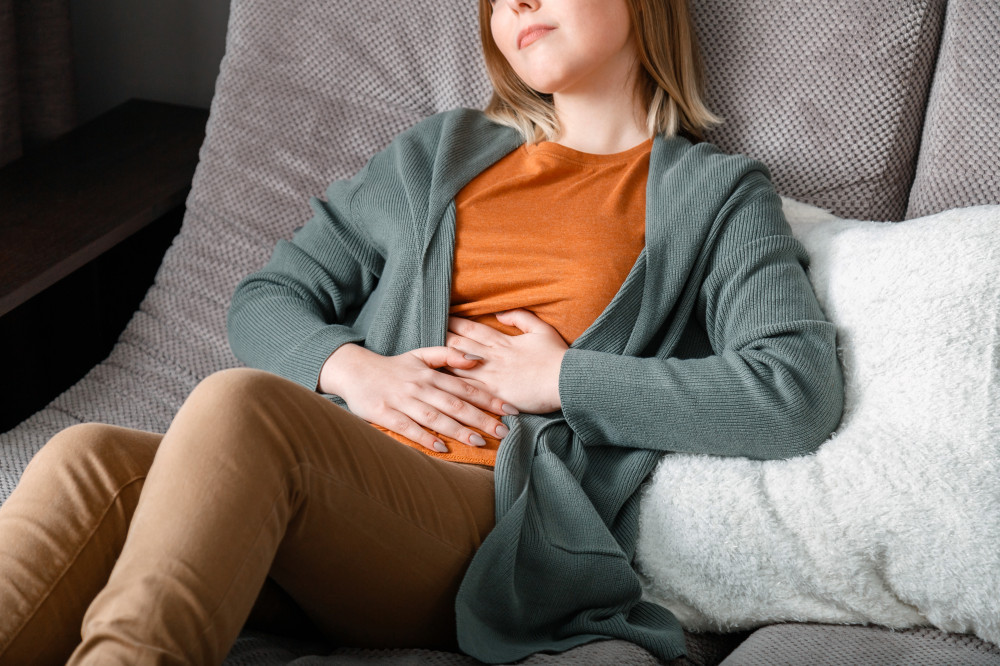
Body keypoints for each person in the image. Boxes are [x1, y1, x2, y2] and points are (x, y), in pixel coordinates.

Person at [0, 0, 844, 663]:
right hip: (326, 489)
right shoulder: (440, 153)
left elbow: (792, 392)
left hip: (484, 525)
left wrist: (560, 381)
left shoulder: (716, 195)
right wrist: (357, 371)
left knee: (241, 408)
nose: (514, 2)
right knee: (88, 461)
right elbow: (266, 297)